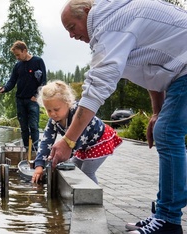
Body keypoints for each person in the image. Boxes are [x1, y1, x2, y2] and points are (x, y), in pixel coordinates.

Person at [56, 0, 187, 233]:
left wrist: (68, 141)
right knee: (164, 129)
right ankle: (163, 213)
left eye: (71, 27)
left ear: (87, 12)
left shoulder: (110, 26)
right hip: (179, 68)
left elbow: (96, 89)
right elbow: (152, 70)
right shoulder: (115, 21)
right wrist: (156, 112)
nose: (70, 35)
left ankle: (168, 221)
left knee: (167, 133)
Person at [31, 80, 122, 184]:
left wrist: (57, 159)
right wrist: (39, 166)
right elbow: (46, 142)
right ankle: (77, 194)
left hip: (99, 141)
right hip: (82, 145)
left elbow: (72, 144)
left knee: (87, 172)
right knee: (74, 168)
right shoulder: (53, 121)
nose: (53, 114)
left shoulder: (77, 112)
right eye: (49, 110)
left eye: (56, 109)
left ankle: (92, 197)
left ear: (68, 103)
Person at [0, 40, 47, 151]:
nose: (17, 57)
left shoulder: (38, 61)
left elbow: (43, 82)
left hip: (33, 100)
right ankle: (26, 149)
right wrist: (4, 88)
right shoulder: (17, 66)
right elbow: (11, 81)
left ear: (25, 51)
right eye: (15, 55)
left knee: (33, 126)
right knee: (24, 128)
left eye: (18, 55)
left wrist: (37, 95)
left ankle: (33, 151)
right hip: (20, 100)